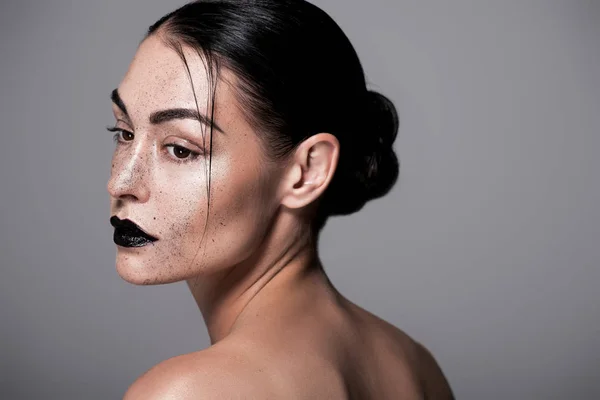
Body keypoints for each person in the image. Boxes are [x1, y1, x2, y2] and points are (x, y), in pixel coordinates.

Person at [106, 0, 454, 398]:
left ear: (307, 171)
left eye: (181, 149)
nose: (120, 183)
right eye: (124, 132)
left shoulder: (190, 391)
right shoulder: (415, 366)